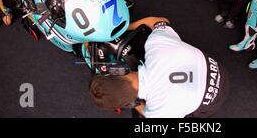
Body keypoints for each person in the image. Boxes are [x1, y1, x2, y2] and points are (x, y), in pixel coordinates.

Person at [89, 17, 229, 118]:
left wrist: (134, 104)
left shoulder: (159, 112)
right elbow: (157, 21)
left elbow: (144, 111)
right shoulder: (156, 45)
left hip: (212, 96)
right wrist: (121, 30)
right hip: (217, 71)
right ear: (117, 70)